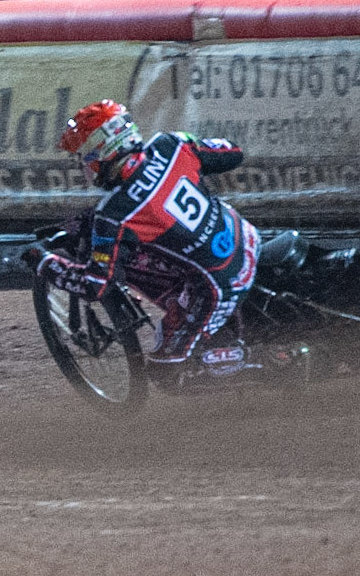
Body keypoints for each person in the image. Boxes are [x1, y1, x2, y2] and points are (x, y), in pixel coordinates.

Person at [31, 99, 272, 388]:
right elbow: (233, 153)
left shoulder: (115, 213)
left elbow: (96, 286)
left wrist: (45, 264)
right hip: (246, 238)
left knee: (164, 374)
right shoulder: (172, 144)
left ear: (102, 151)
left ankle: (264, 366)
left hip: (221, 286)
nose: (84, 167)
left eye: (84, 156)